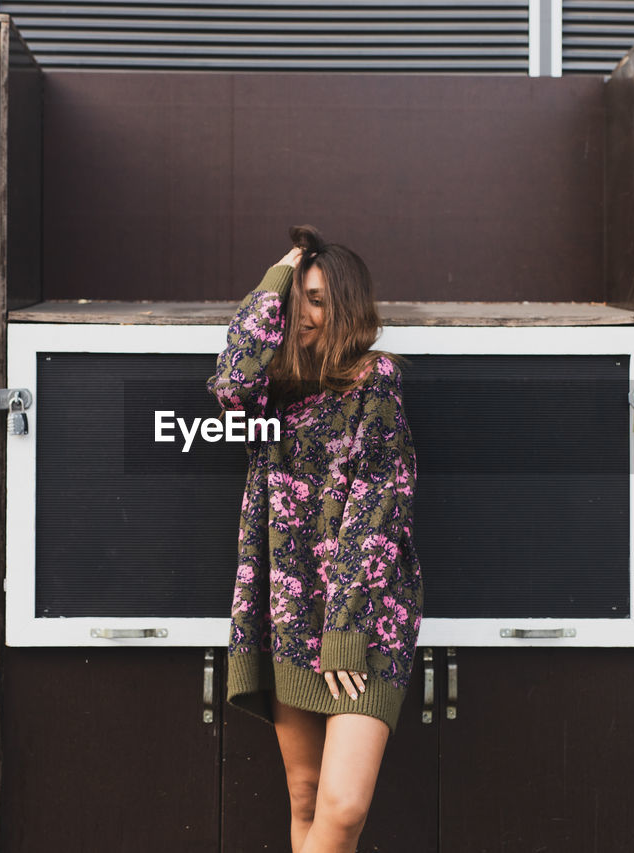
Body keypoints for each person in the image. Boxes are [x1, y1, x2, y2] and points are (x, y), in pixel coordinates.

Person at [207, 225, 424, 853]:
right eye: (297, 299)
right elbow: (228, 382)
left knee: (342, 806)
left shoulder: (373, 380)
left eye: (320, 300)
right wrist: (277, 277)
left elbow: (379, 507)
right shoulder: (267, 391)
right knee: (304, 794)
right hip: (287, 608)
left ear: (349, 307)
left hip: (365, 615)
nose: (305, 313)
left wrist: (346, 631)